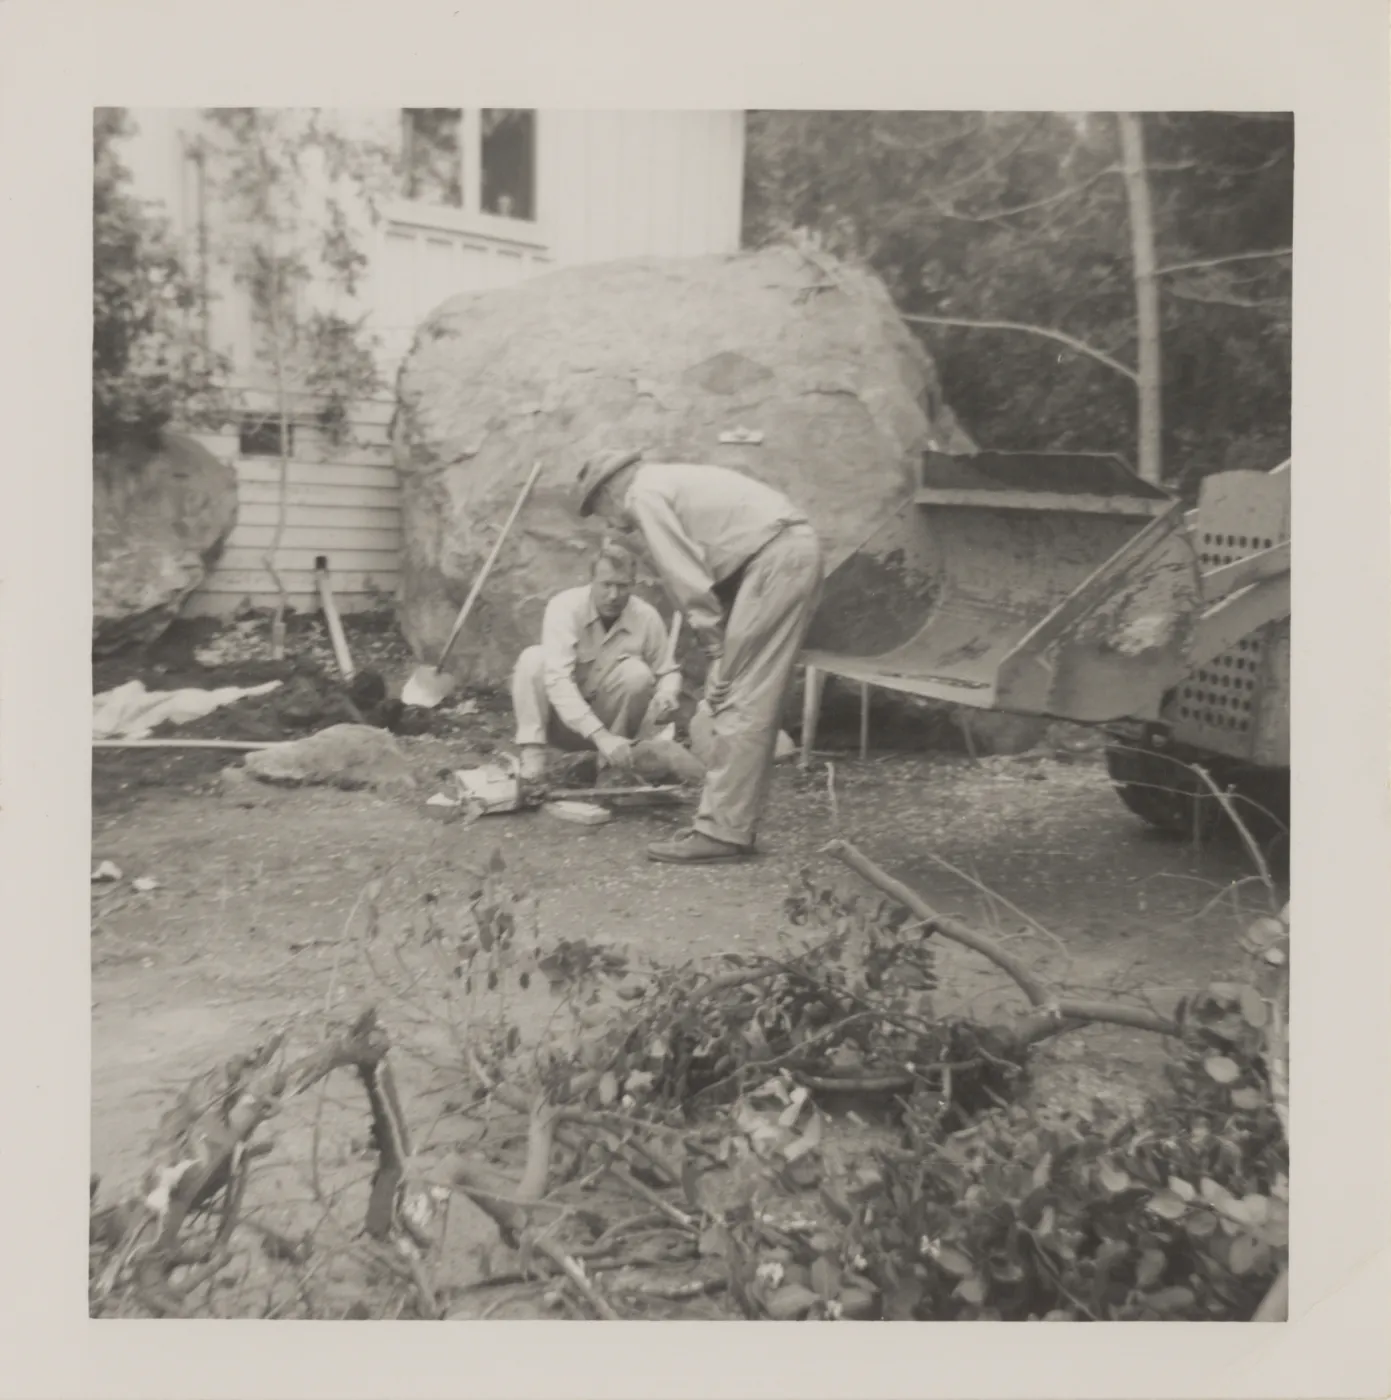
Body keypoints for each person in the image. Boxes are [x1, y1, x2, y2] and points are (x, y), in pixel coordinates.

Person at [576, 449, 824, 863]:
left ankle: (723, 834)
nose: (606, 521)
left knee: (742, 696)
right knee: (747, 695)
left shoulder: (643, 495)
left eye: (598, 509)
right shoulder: (666, 480)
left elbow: (685, 575)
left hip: (776, 561)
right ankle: (729, 825)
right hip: (782, 555)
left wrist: (714, 649)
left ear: (608, 491)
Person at [511, 542, 682, 783]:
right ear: (591, 580)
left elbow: (668, 671)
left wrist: (667, 692)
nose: (613, 595)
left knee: (638, 674)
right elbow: (558, 681)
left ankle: (612, 766)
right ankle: (534, 755)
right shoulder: (564, 607)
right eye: (606, 585)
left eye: (622, 586)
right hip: (562, 724)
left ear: (633, 584)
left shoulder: (646, 617)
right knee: (533, 659)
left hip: (615, 732)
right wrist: (600, 736)